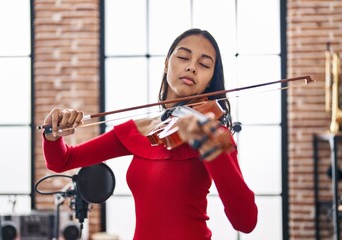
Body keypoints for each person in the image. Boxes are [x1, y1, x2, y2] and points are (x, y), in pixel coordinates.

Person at [42, 28, 258, 240]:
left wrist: (211, 148)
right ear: (166, 63)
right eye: (183, 57)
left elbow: (246, 222)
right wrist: (53, 133)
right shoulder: (138, 130)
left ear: (210, 80)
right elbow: (62, 160)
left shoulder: (211, 133)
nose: (192, 67)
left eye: (203, 64)